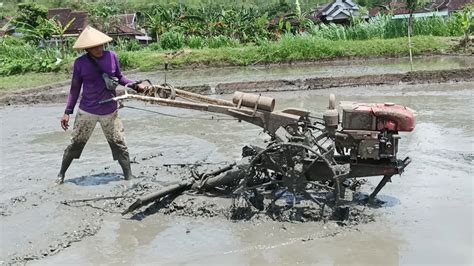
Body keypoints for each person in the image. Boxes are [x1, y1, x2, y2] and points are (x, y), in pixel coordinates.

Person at [57, 25, 145, 184]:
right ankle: (61, 175)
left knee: (119, 143)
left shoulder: (112, 57)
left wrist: (134, 85)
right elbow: (75, 88)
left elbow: (119, 77)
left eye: (101, 45)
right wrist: (67, 112)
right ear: (88, 48)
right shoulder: (80, 63)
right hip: (87, 110)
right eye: (94, 47)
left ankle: (128, 176)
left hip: (110, 109)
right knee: (76, 143)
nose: (99, 48)